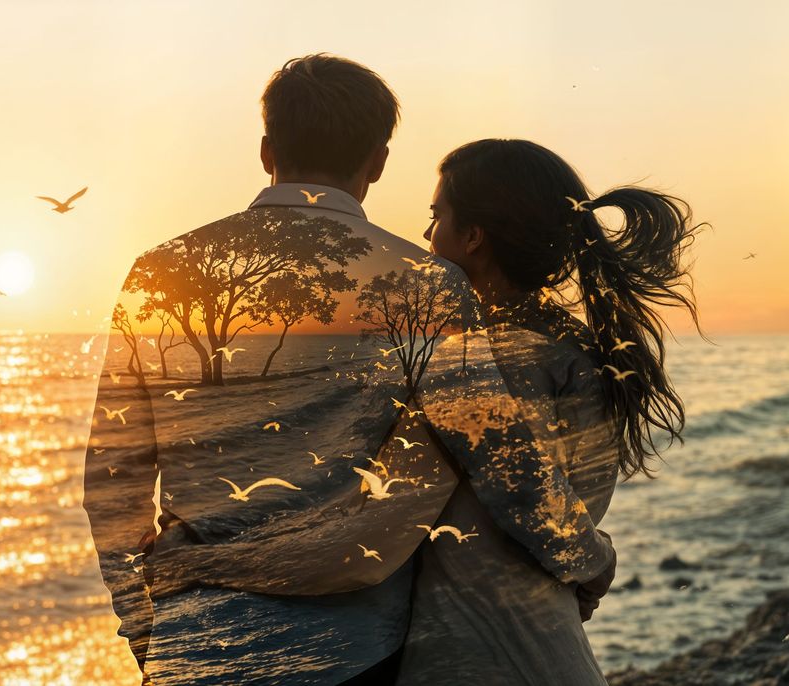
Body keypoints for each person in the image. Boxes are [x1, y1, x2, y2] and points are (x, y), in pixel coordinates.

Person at [82, 55, 618, 685]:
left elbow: (112, 478)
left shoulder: (158, 272)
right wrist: (588, 564)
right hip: (354, 652)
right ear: (378, 162)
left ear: (265, 150)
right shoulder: (426, 285)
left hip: (196, 643)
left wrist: (145, 628)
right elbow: (503, 465)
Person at [393, 139, 699, 684]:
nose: (426, 235)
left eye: (436, 216)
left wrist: (595, 563)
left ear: (473, 237)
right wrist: (589, 557)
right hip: (539, 628)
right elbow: (575, 495)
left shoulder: (482, 351)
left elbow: (521, 489)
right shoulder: (575, 345)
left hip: (486, 644)